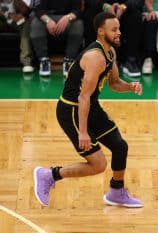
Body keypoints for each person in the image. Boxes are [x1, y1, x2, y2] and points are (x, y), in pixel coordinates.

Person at [33, 12, 143, 208]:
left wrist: (130, 86)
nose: (119, 33)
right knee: (98, 165)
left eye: (119, 28)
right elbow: (83, 96)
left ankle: (116, 192)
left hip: (90, 107)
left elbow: (115, 83)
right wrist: (83, 132)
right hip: (72, 111)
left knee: (120, 146)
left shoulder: (110, 52)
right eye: (114, 29)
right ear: (101, 32)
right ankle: (49, 175)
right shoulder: (95, 58)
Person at [30, 0, 84, 76]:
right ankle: (43, 60)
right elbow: (37, 9)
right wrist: (48, 21)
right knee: (35, 23)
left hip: (67, 19)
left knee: (78, 24)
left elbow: (78, 10)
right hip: (47, 19)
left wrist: (68, 17)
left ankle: (69, 60)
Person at [0, 0, 37, 73]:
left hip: (18, 20)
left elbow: (27, 10)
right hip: (2, 19)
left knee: (26, 24)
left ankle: (26, 62)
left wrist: (21, 14)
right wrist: (8, 14)